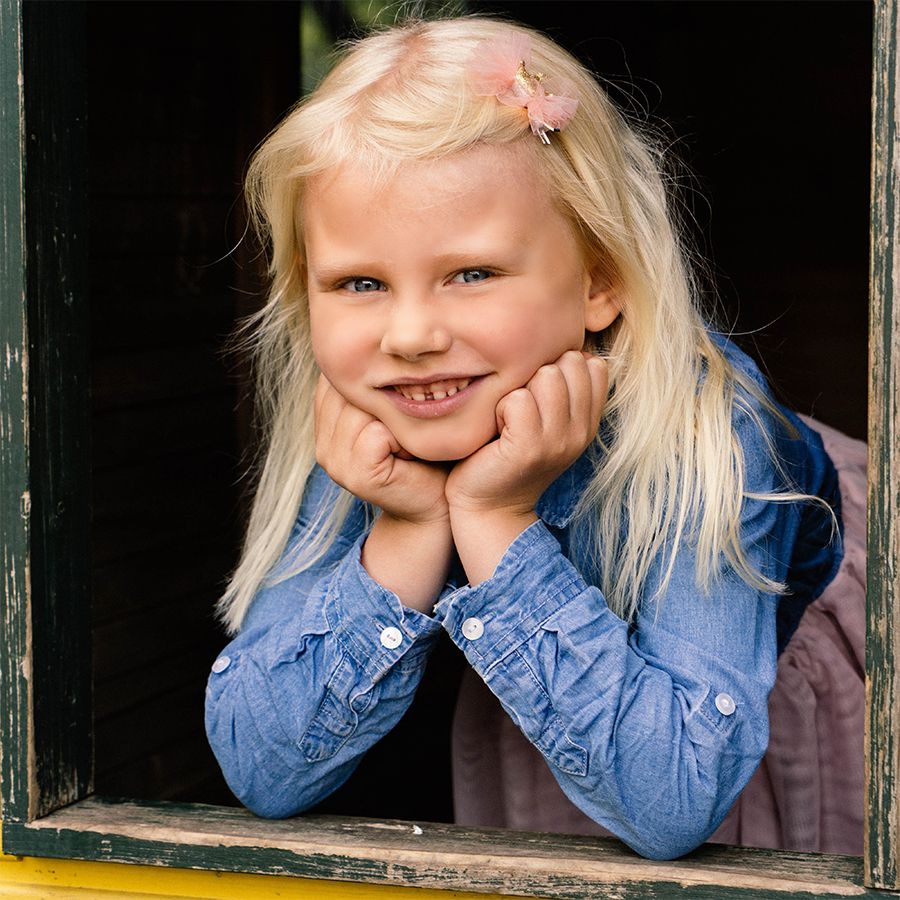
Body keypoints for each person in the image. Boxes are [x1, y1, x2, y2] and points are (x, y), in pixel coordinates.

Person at [204, 16, 849, 860]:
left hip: (756, 688)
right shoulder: (368, 422)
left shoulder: (713, 435)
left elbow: (676, 796)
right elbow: (263, 769)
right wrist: (408, 528)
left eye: (471, 273)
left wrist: (495, 519)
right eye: (359, 283)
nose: (410, 335)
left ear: (599, 280)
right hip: (574, 699)